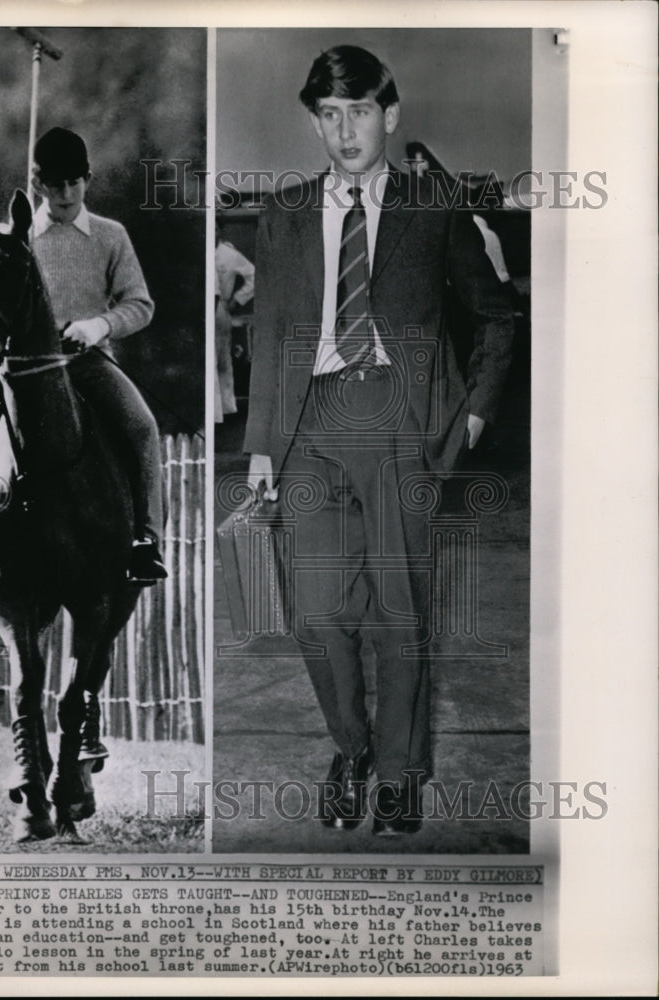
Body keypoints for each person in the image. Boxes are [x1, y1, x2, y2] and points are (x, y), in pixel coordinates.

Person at [243, 45, 514, 835]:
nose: (345, 130)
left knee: (399, 613)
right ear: (316, 123)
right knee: (317, 616)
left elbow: (498, 313)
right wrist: (262, 444)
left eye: (359, 111)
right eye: (328, 115)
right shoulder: (284, 213)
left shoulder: (433, 206)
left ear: (388, 116)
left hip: (402, 422)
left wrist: (471, 412)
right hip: (308, 427)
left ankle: (397, 773)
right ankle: (352, 747)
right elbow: (268, 334)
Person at [0, 127, 167, 587]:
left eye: (74, 183)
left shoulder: (110, 236)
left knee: (143, 426)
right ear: (37, 184)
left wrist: (97, 325)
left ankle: (145, 542)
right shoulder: (11, 241)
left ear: (88, 179)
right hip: (21, 370)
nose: (65, 194)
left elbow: (139, 304)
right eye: (54, 184)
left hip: (89, 362)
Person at [214, 220, 255, 422]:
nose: (212, 232)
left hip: (221, 306)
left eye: (216, 228)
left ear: (220, 230)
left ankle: (227, 409)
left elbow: (253, 274)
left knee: (222, 359)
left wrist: (237, 300)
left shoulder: (229, 254)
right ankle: (213, 412)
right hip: (202, 305)